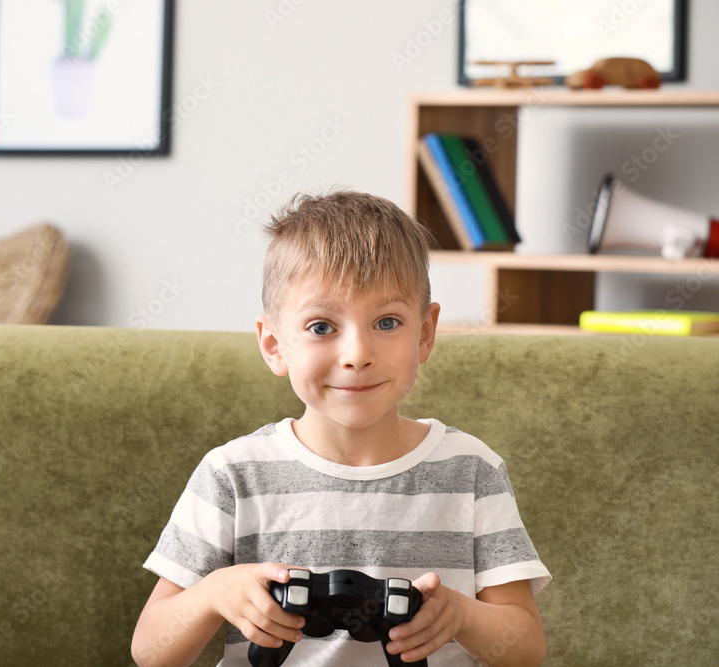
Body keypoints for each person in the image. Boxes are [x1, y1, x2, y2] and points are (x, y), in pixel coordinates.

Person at [131, 190, 551, 666]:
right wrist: (213, 593)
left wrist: (461, 615)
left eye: (387, 321)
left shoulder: (472, 471)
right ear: (273, 344)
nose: (357, 354)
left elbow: (526, 651)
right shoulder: (232, 474)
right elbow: (151, 653)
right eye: (321, 327)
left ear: (426, 334)